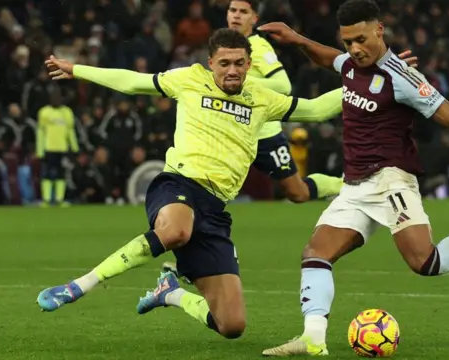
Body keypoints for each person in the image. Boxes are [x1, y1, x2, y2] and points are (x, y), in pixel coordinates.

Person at [258, 0, 449, 356]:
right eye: (348, 41)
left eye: (361, 39)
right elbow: (328, 58)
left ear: (379, 30)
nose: (354, 48)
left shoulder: (403, 77)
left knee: (425, 263)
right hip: (354, 186)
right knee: (315, 254)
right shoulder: (351, 64)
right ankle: (313, 339)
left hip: (391, 181)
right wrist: (297, 39)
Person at [36, 29, 343, 340]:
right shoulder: (188, 79)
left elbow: (317, 110)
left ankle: (170, 293)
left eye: (239, 63)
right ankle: (79, 285)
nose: (232, 70)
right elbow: (132, 82)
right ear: (211, 63)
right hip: (177, 184)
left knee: (232, 325)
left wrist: (369, 84)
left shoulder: (263, 99)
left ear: (250, 64)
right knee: (175, 231)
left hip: (214, 210)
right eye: (224, 63)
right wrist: (77, 70)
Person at [226, 0, 417, 203]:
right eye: (232, 10)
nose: (236, 15)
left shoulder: (257, 47)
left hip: (264, 132)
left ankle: (346, 185)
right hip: (233, 129)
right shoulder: (222, 45)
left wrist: (236, 79)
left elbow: (284, 86)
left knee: (297, 193)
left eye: (243, 11)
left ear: (254, 18)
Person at [36, 87, 79, 207]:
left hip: (62, 148)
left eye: (58, 96)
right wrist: (39, 150)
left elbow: (70, 132)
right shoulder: (44, 112)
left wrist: (74, 147)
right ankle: (46, 199)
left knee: (61, 174)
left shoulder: (67, 112)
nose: (56, 99)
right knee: (47, 174)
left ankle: (59, 199)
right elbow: (40, 133)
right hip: (48, 148)